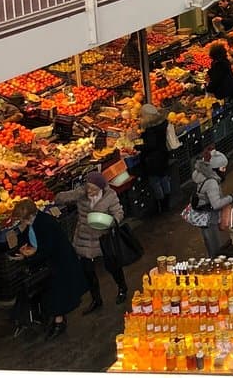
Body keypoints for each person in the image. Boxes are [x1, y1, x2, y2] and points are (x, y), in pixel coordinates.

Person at [10, 199, 87, 339]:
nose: (21, 222)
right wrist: (26, 248)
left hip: (60, 264)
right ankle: (58, 320)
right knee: (54, 294)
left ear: (29, 217)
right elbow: (33, 241)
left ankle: (59, 323)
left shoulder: (45, 224)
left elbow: (47, 250)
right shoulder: (35, 222)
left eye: (22, 219)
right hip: (53, 264)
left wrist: (28, 257)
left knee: (57, 294)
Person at [55, 172, 127, 314]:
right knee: (88, 271)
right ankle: (96, 299)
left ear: (101, 188)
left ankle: (122, 288)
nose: (90, 192)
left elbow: (118, 213)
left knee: (112, 265)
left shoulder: (109, 196)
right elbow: (59, 198)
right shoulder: (82, 194)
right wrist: (76, 194)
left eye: (94, 189)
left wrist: (112, 222)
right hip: (84, 238)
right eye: (88, 188)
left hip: (103, 238)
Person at [192, 150, 233, 257]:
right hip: (209, 218)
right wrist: (231, 198)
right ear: (215, 169)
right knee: (215, 247)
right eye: (223, 168)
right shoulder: (212, 182)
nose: (225, 170)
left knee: (210, 243)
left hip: (204, 216)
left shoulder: (203, 175)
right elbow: (216, 204)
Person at [137, 102, 178, 213]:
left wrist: (138, 146)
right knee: (164, 178)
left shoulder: (150, 130)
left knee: (155, 182)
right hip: (163, 154)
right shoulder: (163, 123)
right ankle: (167, 203)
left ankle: (161, 205)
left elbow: (150, 145)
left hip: (153, 160)